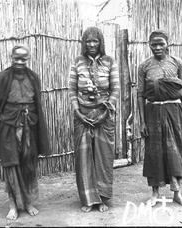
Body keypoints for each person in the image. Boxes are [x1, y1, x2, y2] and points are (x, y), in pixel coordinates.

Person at [0, 44, 51, 220]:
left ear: (28, 59)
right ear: (11, 57)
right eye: (16, 58)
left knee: (29, 163)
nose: (19, 62)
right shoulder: (1, 78)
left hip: (29, 125)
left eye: (23, 59)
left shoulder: (33, 77)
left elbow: (37, 104)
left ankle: (28, 202)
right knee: (11, 164)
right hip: (8, 126)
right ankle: (12, 205)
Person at [68, 27, 120, 212]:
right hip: (82, 115)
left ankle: (103, 198)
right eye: (88, 41)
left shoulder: (109, 61)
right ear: (84, 43)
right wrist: (78, 113)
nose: (91, 44)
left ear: (101, 43)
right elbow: (72, 90)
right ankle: (88, 199)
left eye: (95, 41)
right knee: (84, 158)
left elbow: (115, 89)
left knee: (103, 156)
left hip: (104, 116)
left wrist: (105, 113)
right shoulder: (77, 62)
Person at [137, 29, 182, 207]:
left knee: (175, 151)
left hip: (174, 111)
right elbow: (140, 95)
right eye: (154, 44)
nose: (158, 47)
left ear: (168, 44)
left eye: (161, 44)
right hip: (153, 112)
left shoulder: (177, 63)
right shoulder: (144, 66)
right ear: (149, 46)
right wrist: (142, 121)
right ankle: (155, 194)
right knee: (154, 153)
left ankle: (177, 192)